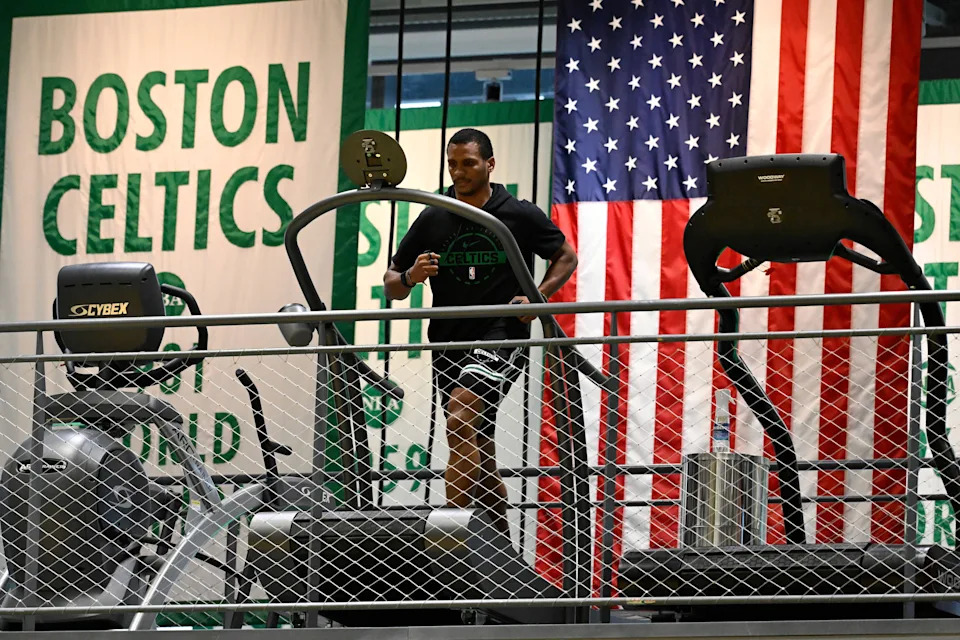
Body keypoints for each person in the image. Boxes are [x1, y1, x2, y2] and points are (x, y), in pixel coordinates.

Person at [383, 128, 577, 537]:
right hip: (448, 339)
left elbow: (565, 256)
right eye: (452, 164)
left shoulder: (517, 213)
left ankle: (451, 550)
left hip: (502, 331)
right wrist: (412, 275)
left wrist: (539, 296)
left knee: (459, 416)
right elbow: (391, 284)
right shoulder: (434, 213)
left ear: (489, 164)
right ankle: (504, 555)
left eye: (468, 163)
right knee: (475, 445)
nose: (458, 172)